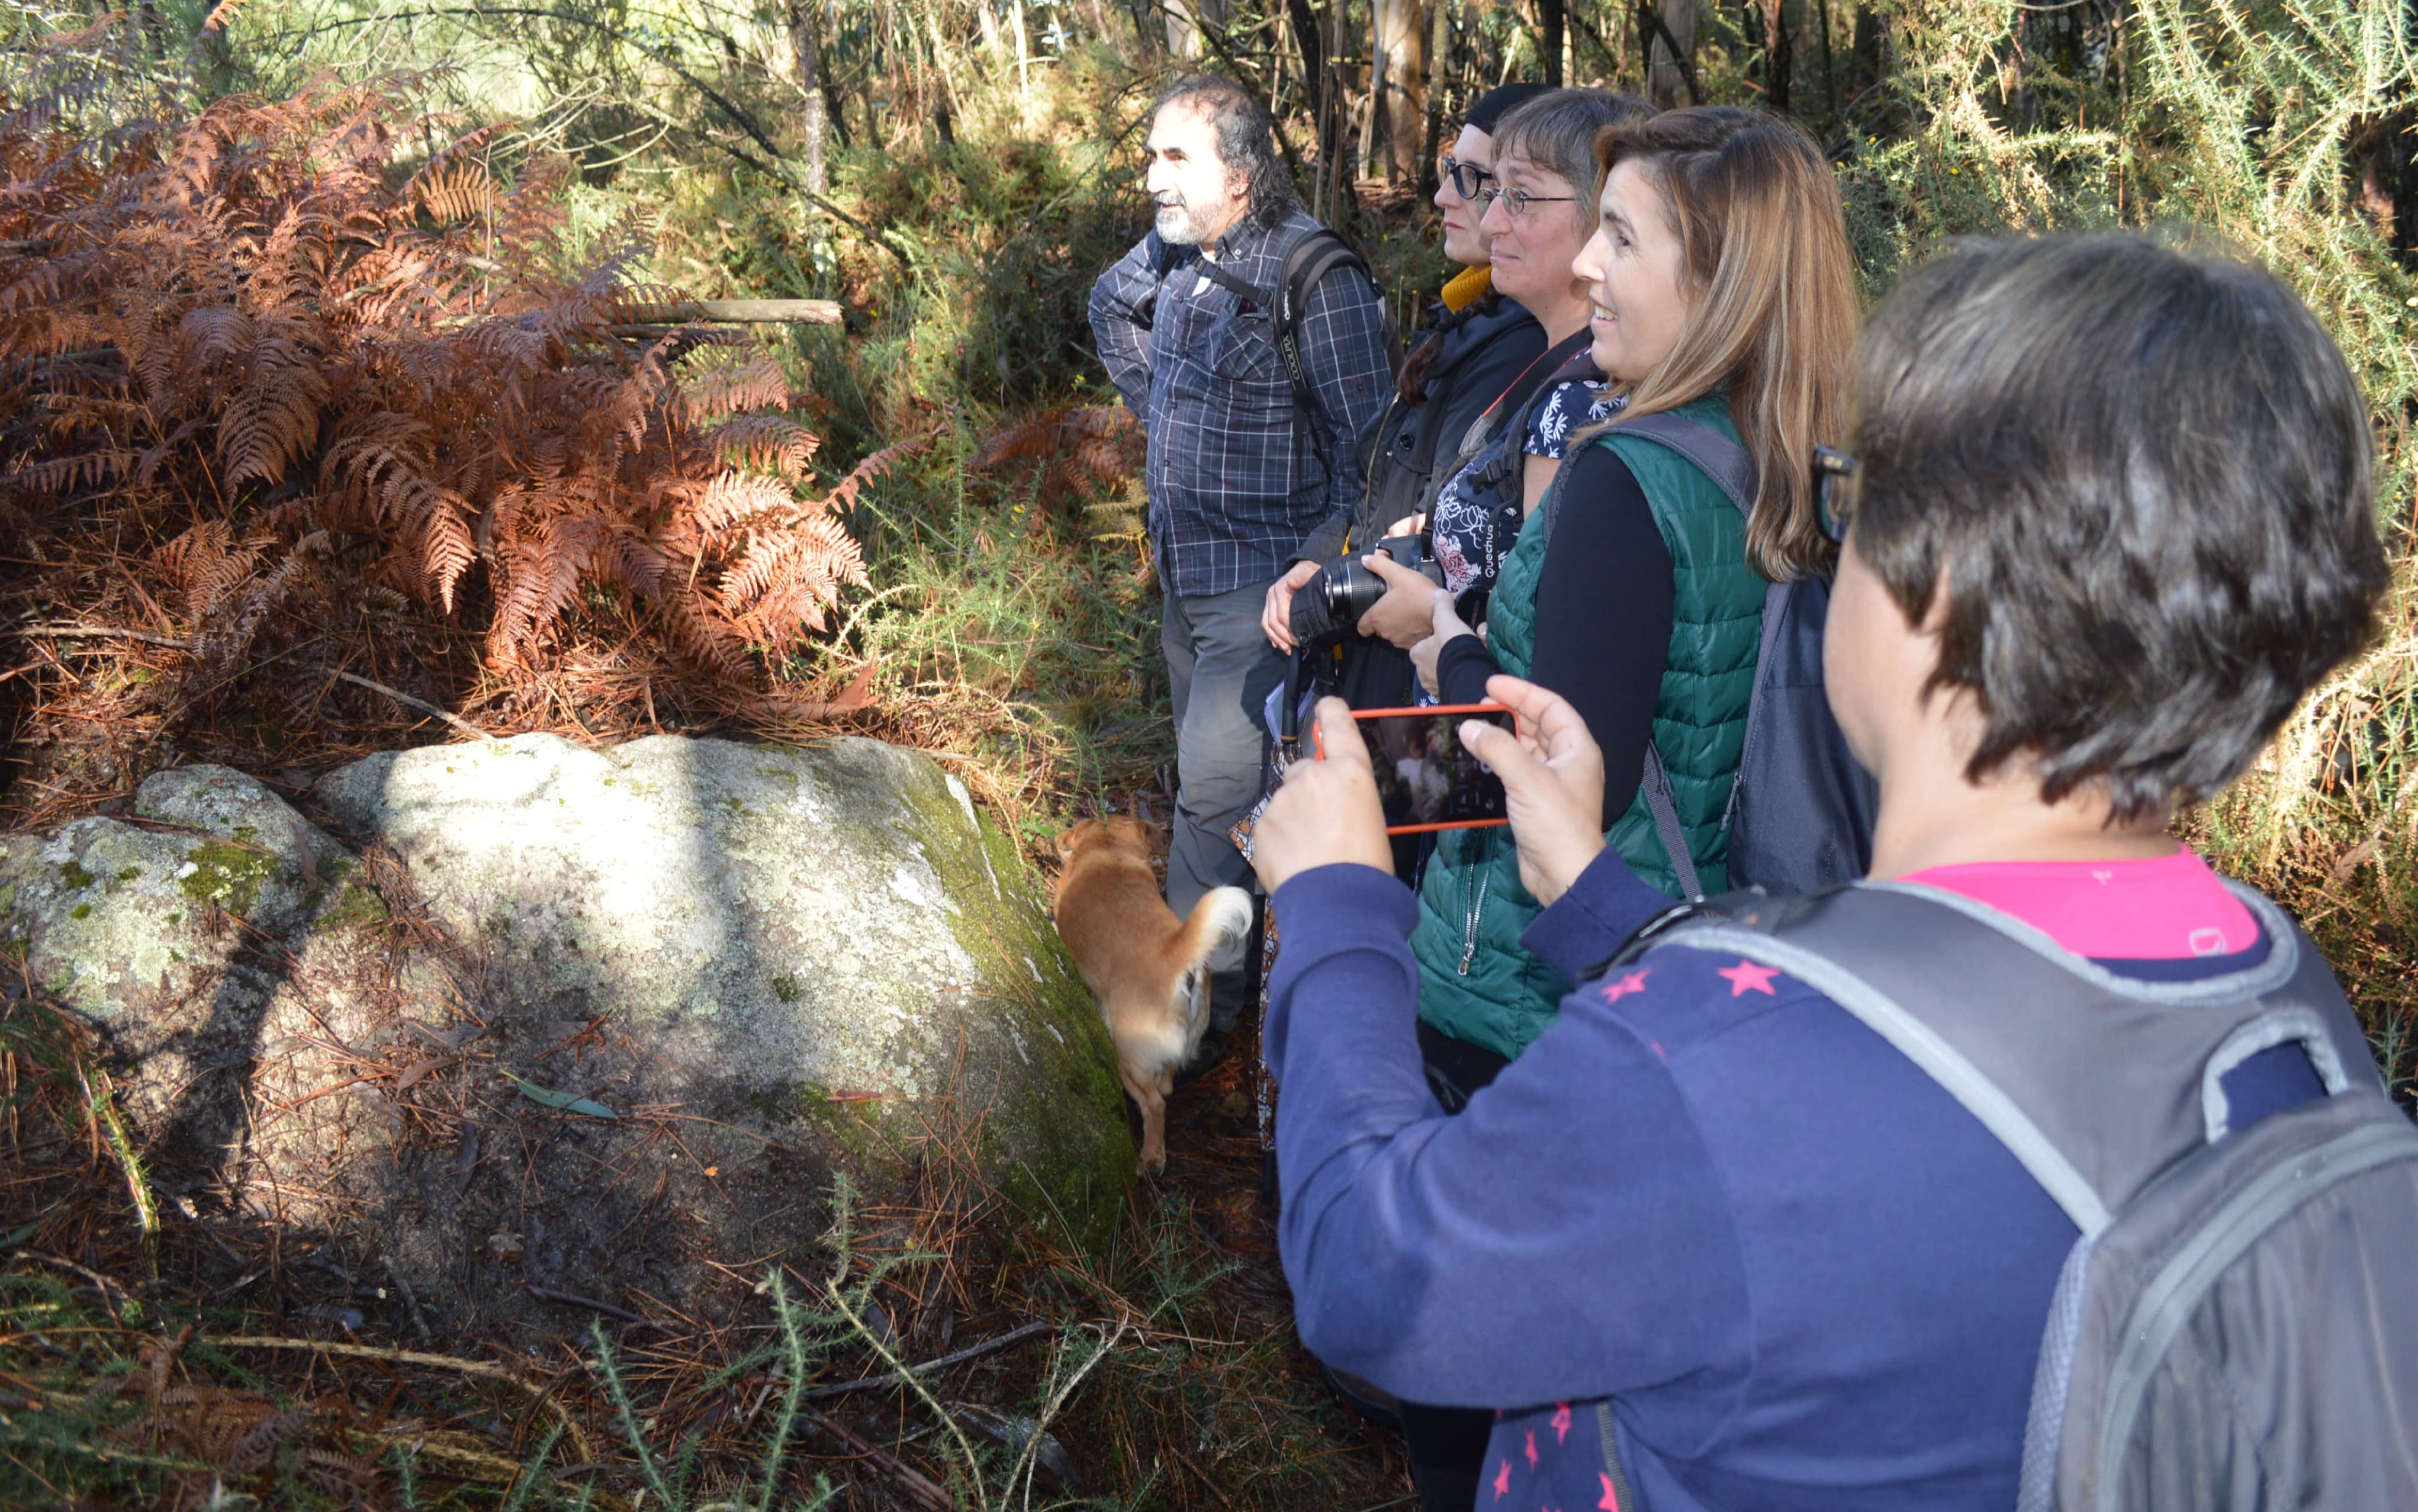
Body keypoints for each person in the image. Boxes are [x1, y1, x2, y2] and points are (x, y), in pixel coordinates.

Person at [1247, 231, 2392, 1509]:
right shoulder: (2276, 986)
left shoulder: (1700, 1061)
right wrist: (1593, 893)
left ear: (1930, 587)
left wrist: (1338, 910)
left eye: (1851, 497)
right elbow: (1871, 1058)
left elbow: (1371, 1275)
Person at [1381, 107, 1857, 1104]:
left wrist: (1445, 641)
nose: (1589, 264)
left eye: (1623, 238)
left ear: (1718, 282)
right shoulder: (1798, 456)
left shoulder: (1625, 477)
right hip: (1713, 962)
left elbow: (1565, 780)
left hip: (1537, 1003)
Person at [1087, 77, 1394, 1034]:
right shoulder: (1181, 253)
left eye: (1177, 157)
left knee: (1211, 814)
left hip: (1258, 599)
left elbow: (1371, 453)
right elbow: (1109, 304)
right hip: (1184, 582)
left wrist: (1314, 568)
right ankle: (1218, 1009)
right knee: (1208, 788)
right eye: (1149, 155)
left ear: (1243, 170)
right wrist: (1170, 415)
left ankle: (1189, 1035)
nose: (1153, 177)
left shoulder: (1313, 275)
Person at [1262, 81, 1555, 671]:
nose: (1443, 196)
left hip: (1413, 659)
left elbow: (1435, 524)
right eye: (1449, 171)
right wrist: (1316, 557)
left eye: (1473, 178)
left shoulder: (1521, 342)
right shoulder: (1466, 313)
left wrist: (1317, 603)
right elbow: (1378, 480)